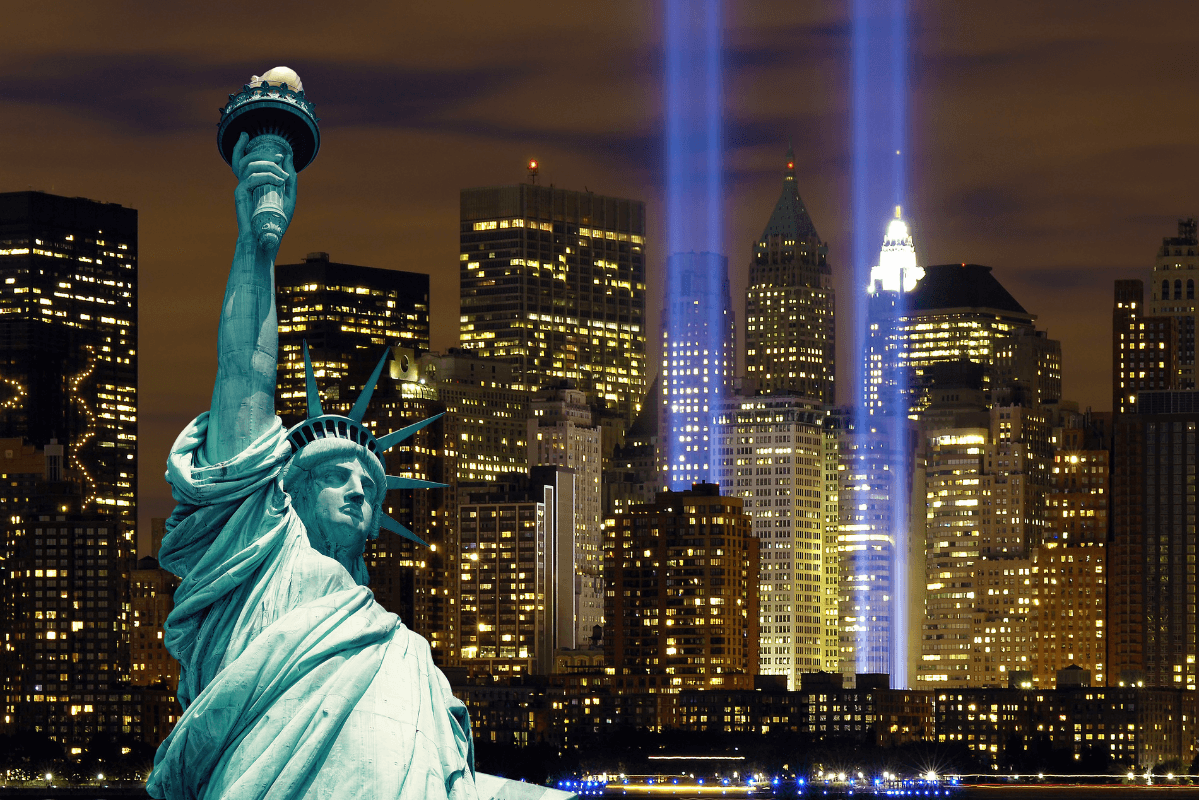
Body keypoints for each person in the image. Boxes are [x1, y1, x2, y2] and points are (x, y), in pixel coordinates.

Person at [145, 133, 479, 800]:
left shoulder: (404, 653)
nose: (358, 490)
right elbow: (244, 377)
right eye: (336, 475)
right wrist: (257, 243)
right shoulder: (260, 565)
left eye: (369, 486)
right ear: (283, 496)